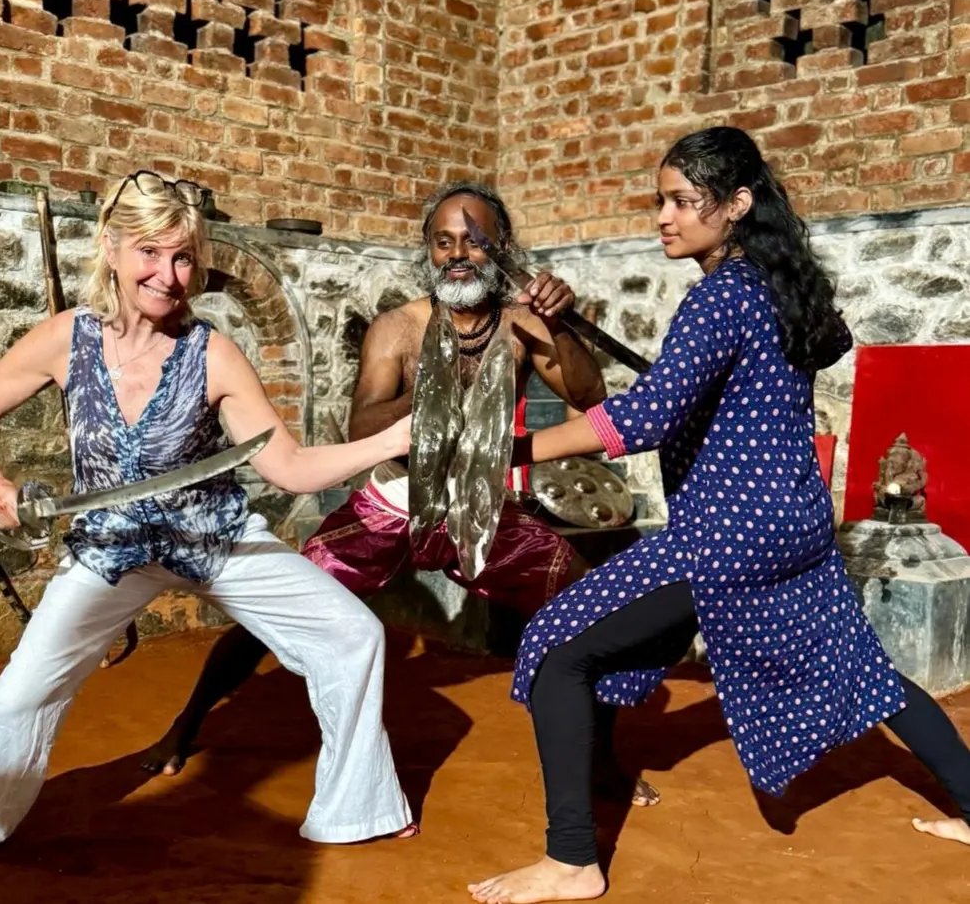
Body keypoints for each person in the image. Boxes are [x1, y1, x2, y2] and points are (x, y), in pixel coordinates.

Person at [467, 127, 970, 904]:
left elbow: (643, 418)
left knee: (557, 648)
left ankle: (571, 857)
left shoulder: (718, 296)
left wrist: (515, 451)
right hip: (794, 526)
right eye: (659, 200)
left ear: (735, 204)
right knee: (861, 669)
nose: (662, 217)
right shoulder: (780, 283)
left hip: (728, 534)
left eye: (679, 201)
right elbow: (824, 342)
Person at [0, 171, 416, 863]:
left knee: (351, 633)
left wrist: (390, 442)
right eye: (151, 252)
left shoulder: (211, 352)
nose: (168, 273)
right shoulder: (68, 338)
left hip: (210, 534)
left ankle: (354, 805)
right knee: (22, 689)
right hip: (110, 549)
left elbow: (289, 466)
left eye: (183, 256)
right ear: (114, 250)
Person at [140, 182, 657, 807]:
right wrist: (440, 383)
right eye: (444, 242)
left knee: (583, 601)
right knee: (279, 601)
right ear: (427, 251)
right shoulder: (398, 328)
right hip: (390, 507)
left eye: (474, 241)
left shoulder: (523, 326)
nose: (458, 254)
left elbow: (589, 400)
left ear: (501, 251)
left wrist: (558, 326)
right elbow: (363, 426)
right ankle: (185, 725)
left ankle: (600, 760)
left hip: (483, 511)